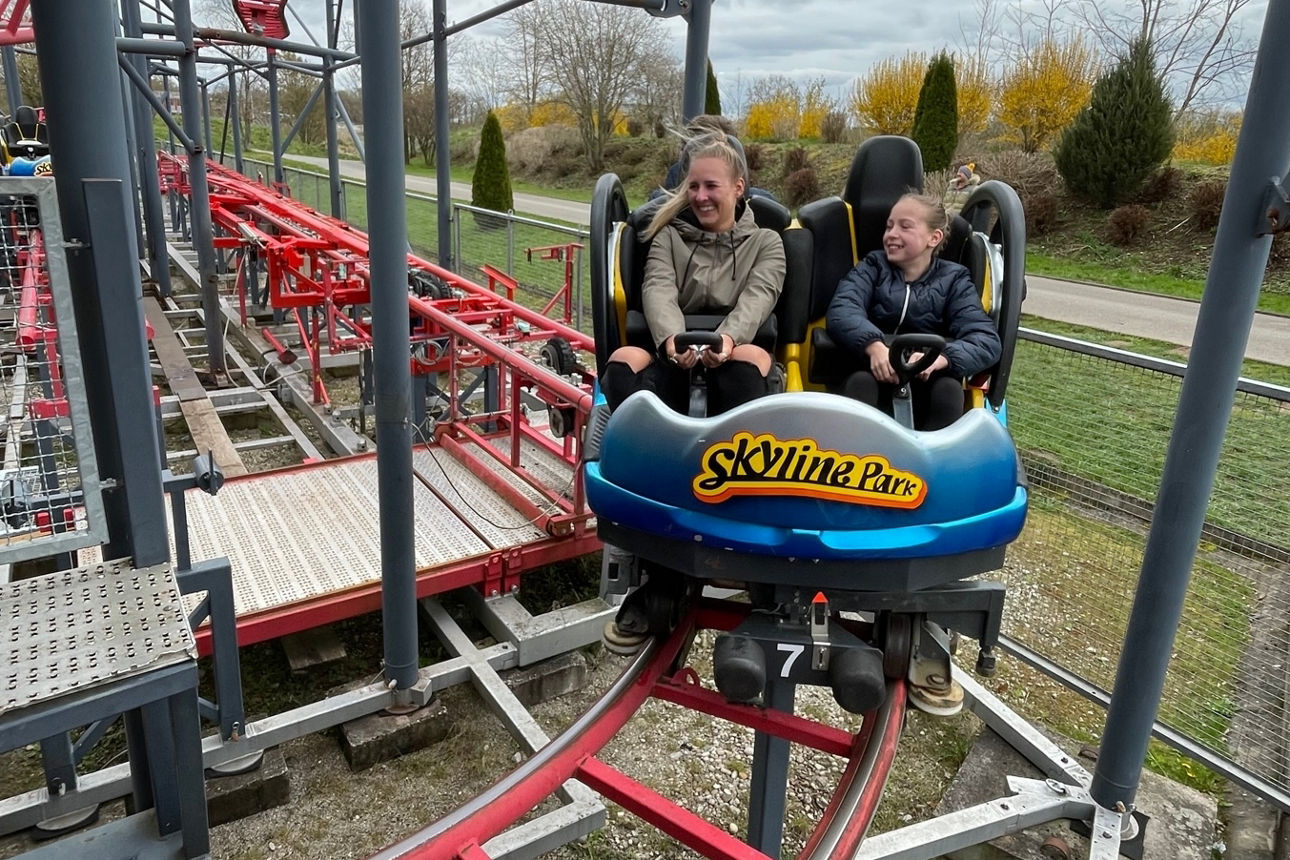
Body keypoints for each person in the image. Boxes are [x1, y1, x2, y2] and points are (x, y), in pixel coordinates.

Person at [599, 132, 786, 416]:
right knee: (623, 362)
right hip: (674, 353)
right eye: (694, 187)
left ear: (738, 187)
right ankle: (648, 439)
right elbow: (658, 289)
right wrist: (672, 339)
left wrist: (727, 338)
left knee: (750, 360)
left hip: (736, 350)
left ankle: (734, 441)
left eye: (711, 186)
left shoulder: (766, 242)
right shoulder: (668, 237)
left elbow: (758, 297)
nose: (700, 197)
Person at [825, 192, 1000, 430]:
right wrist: (875, 347)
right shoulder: (873, 266)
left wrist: (941, 358)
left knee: (948, 391)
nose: (891, 234)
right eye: (889, 226)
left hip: (925, 382)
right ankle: (853, 450)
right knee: (860, 384)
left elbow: (985, 340)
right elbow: (842, 310)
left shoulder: (954, 280)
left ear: (934, 237)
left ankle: (936, 452)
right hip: (872, 371)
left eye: (905, 227)